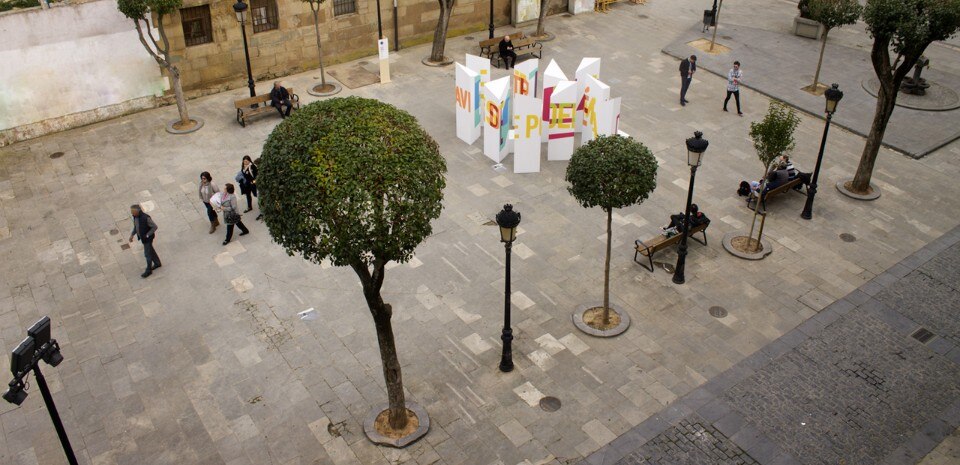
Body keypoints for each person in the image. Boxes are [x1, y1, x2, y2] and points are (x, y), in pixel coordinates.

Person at [128, 204, 161, 278]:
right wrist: (132, 235)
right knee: (150, 250)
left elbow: (155, 227)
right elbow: (136, 227)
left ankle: (148, 270)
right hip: (143, 238)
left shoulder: (146, 218)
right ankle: (157, 263)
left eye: (132, 212)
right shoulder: (135, 217)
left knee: (147, 254)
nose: (131, 213)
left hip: (147, 239)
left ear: (137, 211)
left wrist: (147, 235)